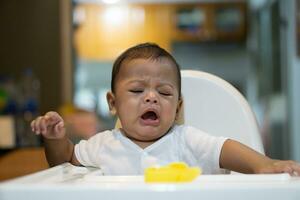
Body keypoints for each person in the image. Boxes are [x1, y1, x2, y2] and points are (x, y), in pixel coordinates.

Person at [31, 43, 300, 176]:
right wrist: (55, 138)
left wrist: (264, 165)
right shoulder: (104, 145)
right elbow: (62, 162)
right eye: (137, 91)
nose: (151, 98)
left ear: (178, 106)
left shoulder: (185, 140)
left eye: (164, 92)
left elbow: (224, 149)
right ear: (113, 103)